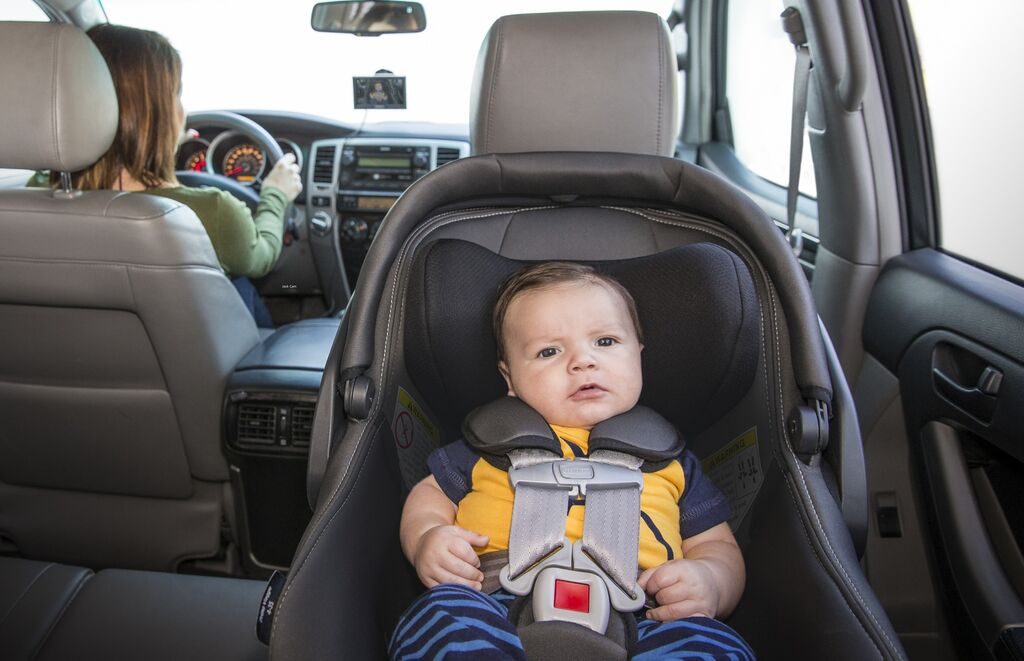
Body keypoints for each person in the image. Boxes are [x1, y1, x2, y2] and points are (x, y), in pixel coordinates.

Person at [391, 262, 755, 659]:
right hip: (497, 600)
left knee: (711, 642)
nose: (582, 361)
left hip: (644, 612)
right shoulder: (486, 447)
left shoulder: (672, 462)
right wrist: (428, 538)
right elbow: (428, 497)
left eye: (606, 342)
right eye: (549, 351)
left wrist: (711, 582)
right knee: (442, 614)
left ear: (639, 354)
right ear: (509, 377)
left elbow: (717, 546)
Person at [34, 24, 301, 327]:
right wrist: (276, 194)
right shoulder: (210, 211)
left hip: (57, 364)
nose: (182, 110)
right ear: (159, 115)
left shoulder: (33, 196)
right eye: (176, 95)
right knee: (242, 285)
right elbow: (261, 257)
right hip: (193, 369)